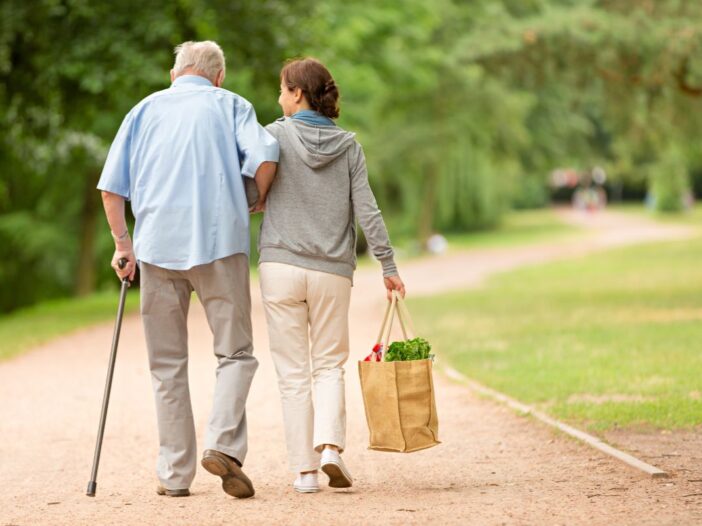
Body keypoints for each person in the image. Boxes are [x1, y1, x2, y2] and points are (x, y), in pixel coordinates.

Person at [97, 41, 278, 499]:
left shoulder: (143, 110)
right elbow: (266, 158)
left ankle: (175, 476)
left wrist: (124, 245)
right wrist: (254, 200)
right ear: (218, 76)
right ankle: (222, 444)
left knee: (166, 366)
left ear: (174, 73)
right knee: (235, 354)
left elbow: (111, 190)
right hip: (220, 245)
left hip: (157, 249)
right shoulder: (232, 105)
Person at [257, 57, 405, 493]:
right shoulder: (349, 147)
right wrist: (388, 266)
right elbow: (368, 212)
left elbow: (252, 191)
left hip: (281, 266)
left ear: (298, 94)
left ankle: (304, 472)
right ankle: (331, 450)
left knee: (292, 372)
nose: (279, 97)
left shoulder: (274, 136)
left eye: (283, 89)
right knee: (327, 366)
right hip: (331, 273)